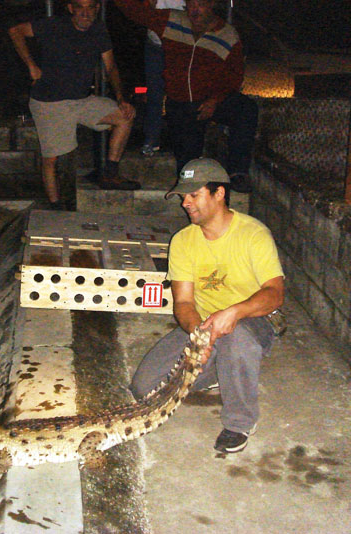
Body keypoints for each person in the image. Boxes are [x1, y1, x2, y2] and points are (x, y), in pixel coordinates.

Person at [130, 158, 284, 453]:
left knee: (236, 338)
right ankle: (224, 370)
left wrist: (234, 312)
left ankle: (240, 421)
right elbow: (184, 303)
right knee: (145, 388)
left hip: (254, 318)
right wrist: (200, 334)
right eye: (183, 196)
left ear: (219, 194)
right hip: (205, 323)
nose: (185, 203)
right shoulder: (183, 241)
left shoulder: (254, 234)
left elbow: (275, 294)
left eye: (193, 194)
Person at [8, 0, 141, 210]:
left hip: (81, 100)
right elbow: (15, 31)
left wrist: (120, 97)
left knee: (124, 116)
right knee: (52, 158)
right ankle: (56, 205)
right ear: (71, 9)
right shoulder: (54, 25)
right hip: (50, 102)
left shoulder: (99, 29)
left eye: (91, 8)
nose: (86, 13)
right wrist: (31, 65)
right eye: (81, 7)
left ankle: (110, 174)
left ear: (97, 9)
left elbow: (111, 66)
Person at [113, 0, 257, 193]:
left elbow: (234, 77)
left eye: (201, 4)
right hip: (181, 105)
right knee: (187, 167)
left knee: (246, 108)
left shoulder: (228, 35)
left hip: (210, 100)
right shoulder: (173, 21)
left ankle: (238, 172)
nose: (195, 10)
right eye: (191, 4)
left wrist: (215, 100)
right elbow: (135, 11)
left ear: (212, 4)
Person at [140, 0, 186, 157]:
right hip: (155, 44)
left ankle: (181, 141)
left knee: (181, 92)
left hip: (180, 45)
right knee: (154, 93)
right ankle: (152, 140)